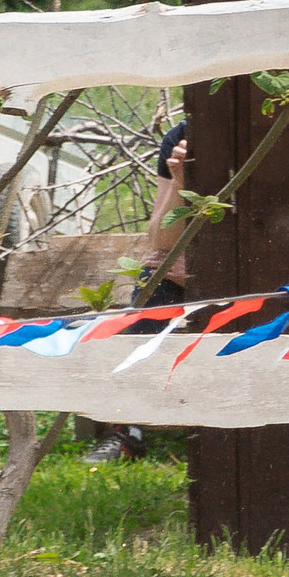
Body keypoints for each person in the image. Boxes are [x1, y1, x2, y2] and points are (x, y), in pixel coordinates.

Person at [84, 121, 187, 464]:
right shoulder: (179, 137)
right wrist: (181, 182)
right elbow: (160, 240)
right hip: (181, 273)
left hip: (251, 271)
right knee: (154, 279)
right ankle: (130, 433)